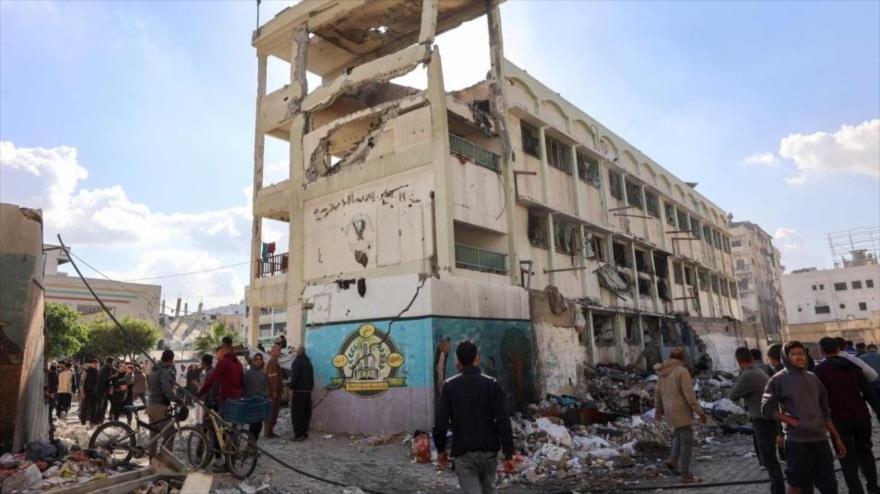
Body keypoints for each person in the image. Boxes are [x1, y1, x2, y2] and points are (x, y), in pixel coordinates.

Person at [762, 340, 847, 494]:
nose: (799, 357)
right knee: (799, 485)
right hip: (797, 443)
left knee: (829, 485)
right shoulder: (777, 380)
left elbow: (825, 412)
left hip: (820, 440)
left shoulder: (813, 378)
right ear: (786, 357)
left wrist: (836, 438)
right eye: (793, 354)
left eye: (801, 353)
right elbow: (766, 408)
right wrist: (790, 421)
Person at [433, 341, 514, 494]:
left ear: (458, 360)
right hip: (489, 452)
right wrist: (509, 454)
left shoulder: (449, 386)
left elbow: (441, 422)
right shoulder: (492, 384)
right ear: (477, 358)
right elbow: (503, 420)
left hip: (464, 453)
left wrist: (441, 450)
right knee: (489, 489)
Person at [815, 337, 880, 494]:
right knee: (866, 452)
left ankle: (855, 490)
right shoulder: (853, 366)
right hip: (861, 416)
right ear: (838, 349)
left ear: (822, 351)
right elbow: (869, 392)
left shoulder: (819, 372)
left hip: (838, 420)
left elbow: (816, 399)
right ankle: (873, 487)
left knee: (845, 456)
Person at [729, 347, 784, 494]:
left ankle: (779, 490)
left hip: (763, 421)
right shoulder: (758, 371)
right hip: (769, 418)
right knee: (771, 459)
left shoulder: (748, 375)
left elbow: (732, 395)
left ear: (739, 361)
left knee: (769, 460)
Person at [654, 346, 707, 484]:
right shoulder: (682, 371)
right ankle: (685, 474)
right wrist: (700, 412)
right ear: (682, 358)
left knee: (678, 434)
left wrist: (658, 409)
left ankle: (673, 459)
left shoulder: (662, 372)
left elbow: (657, 393)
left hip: (669, 411)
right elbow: (690, 397)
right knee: (687, 441)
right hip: (681, 411)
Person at [147, 350, 179, 456]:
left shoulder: (154, 369)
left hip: (151, 403)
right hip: (160, 405)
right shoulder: (164, 370)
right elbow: (166, 388)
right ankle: (166, 461)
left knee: (153, 435)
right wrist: (175, 399)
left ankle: (152, 460)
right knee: (170, 433)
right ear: (171, 360)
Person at [198, 337, 244, 406]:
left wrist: (199, 395)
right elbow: (242, 382)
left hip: (226, 400)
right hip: (237, 400)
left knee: (223, 416)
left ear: (223, 345)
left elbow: (211, 381)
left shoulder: (223, 362)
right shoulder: (239, 364)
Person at [289, 346, 314, 441]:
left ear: (298, 352)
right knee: (306, 414)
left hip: (299, 392)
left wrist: (291, 386)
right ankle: (304, 432)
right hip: (308, 392)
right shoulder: (308, 362)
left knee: (297, 413)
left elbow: (295, 376)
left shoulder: (297, 362)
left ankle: (299, 434)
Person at [243, 353, 269, 440]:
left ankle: (253, 446)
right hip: (251, 403)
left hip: (260, 404)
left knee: (259, 426)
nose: (258, 361)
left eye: (260, 359)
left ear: (262, 361)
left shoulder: (264, 374)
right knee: (253, 425)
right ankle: (251, 447)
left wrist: (266, 398)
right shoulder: (248, 373)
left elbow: (265, 388)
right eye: (256, 359)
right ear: (253, 361)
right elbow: (244, 387)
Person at [265, 344, 284, 438]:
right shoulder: (272, 362)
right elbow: (273, 378)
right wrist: (275, 391)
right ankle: (268, 432)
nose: (280, 351)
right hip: (273, 394)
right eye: (278, 350)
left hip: (272, 393)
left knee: (273, 412)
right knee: (272, 412)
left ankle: (269, 431)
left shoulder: (274, 362)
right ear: (273, 351)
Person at [93, 357, 114, 424]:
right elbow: (106, 379)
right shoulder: (108, 368)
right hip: (103, 391)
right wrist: (112, 378)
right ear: (111, 362)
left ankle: (97, 420)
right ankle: (99, 421)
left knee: (99, 405)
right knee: (102, 406)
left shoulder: (102, 367)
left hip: (99, 390)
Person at [79, 358, 100, 426]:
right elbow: (82, 382)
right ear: (91, 364)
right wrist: (82, 392)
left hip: (95, 393)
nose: (96, 365)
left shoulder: (98, 372)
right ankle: (83, 422)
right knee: (85, 408)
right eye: (94, 363)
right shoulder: (86, 371)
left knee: (94, 408)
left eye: (97, 364)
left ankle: (92, 422)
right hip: (86, 392)